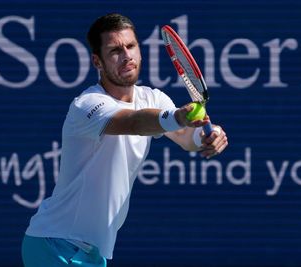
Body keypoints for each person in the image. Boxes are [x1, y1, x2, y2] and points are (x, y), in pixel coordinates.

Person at [21, 13, 228, 267]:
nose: (127, 55)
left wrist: (209, 135)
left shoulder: (153, 98)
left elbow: (186, 137)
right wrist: (178, 116)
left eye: (131, 46)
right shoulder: (87, 105)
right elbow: (134, 122)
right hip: (55, 245)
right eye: (115, 50)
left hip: (91, 253)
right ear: (98, 61)